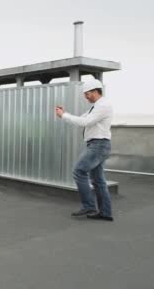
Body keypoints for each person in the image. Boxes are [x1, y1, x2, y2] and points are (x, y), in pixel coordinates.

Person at [56, 78, 114, 221]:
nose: (85, 96)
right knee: (98, 180)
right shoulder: (96, 106)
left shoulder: (103, 106)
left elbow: (85, 122)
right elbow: (82, 118)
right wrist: (65, 114)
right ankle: (105, 213)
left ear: (95, 91)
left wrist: (63, 116)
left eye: (87, 94)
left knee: (79, 171)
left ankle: (89, 205)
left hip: (98, 145)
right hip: (98, 145)